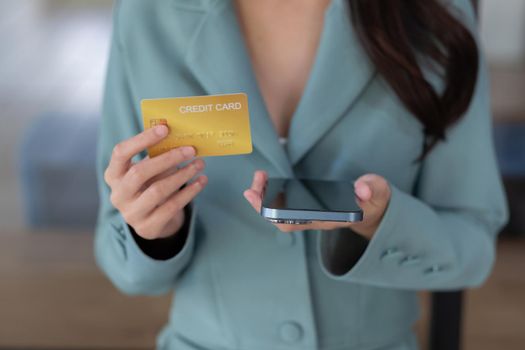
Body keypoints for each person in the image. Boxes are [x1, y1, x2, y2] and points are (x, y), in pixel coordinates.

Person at [94, 0, 509, 349]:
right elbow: (122, 263)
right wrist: (154, 233)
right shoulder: (148, 13)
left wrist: (381, 225)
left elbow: (471, 245)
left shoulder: (435, 15)